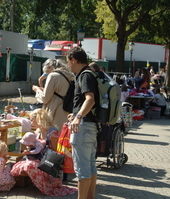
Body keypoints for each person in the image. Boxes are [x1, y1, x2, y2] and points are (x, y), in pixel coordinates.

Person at [11, 108, 77, 196]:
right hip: (41, 161)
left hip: (50, 165)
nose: (30, 122)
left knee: (29, 165)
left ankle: (46, 187)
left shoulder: (52, 132)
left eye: (31, 120)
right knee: (19, 164)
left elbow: (55, 151)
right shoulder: (38, 131)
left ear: (38, 119)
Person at [66, 46, 99, 199]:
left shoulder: (85, 75)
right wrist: (76, 115)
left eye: (68, 62)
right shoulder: (90, 74)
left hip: (83, 127)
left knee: (82, 170)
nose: (68, 65)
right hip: (90, 126)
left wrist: (78, 117)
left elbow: (90, 100)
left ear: (74, 60)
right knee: (90, 167)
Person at [32, 59, 74, 130]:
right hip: (66, 108)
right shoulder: (69, 76)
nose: (47, 74)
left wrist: (37, 90)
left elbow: (45, 98)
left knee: (53, 135)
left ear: (51, 67)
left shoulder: (53, 76)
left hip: (55, 109)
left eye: (47, 72)